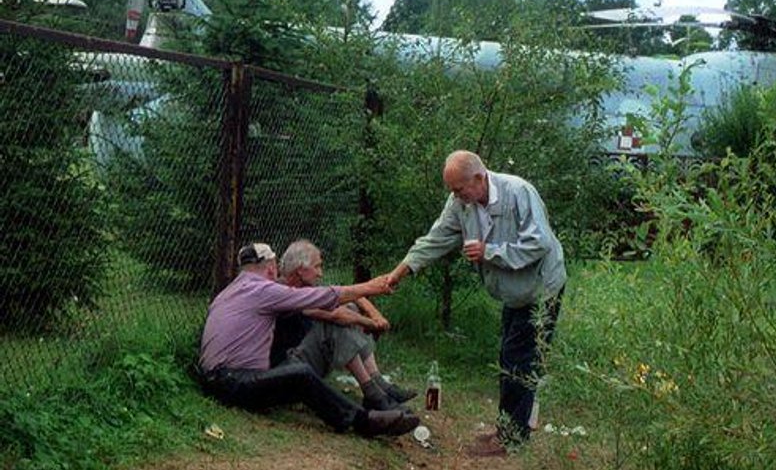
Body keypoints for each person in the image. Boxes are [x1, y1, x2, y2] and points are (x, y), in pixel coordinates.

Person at [384, 150, 566, 456]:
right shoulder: (461, 203)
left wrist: (489, 252)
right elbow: (437, 237)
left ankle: (511, 438)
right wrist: (401, 271)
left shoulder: (518, 192)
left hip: (540, 288)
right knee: (510, 357)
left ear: (480, 178)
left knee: (519, 360)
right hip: (513, 292)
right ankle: (508, 427)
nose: (455, 196)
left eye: (459, 189)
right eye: (452, 190)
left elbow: (539, 243)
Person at [198, 242, 419, 438]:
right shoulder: (263, 290)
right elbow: (325, 300)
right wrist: (371, 287)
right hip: (233, 381)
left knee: (299, 369)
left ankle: (374, 393)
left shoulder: (231, 290)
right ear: (271, 268)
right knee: (300, 373)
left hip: (217, 378)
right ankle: (363, 421)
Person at [271, 239, 417, 411]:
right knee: (335, 323)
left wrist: (375, 315)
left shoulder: (303, 286)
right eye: (317, 267)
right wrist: (371, 323)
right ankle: (372, 392)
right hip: (286, 368)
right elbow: (336, 315)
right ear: (301, 271)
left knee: (349, 307)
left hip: (302, 358)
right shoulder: (287, 293)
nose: (321, 273)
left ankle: (378, 383)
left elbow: (349, 294)